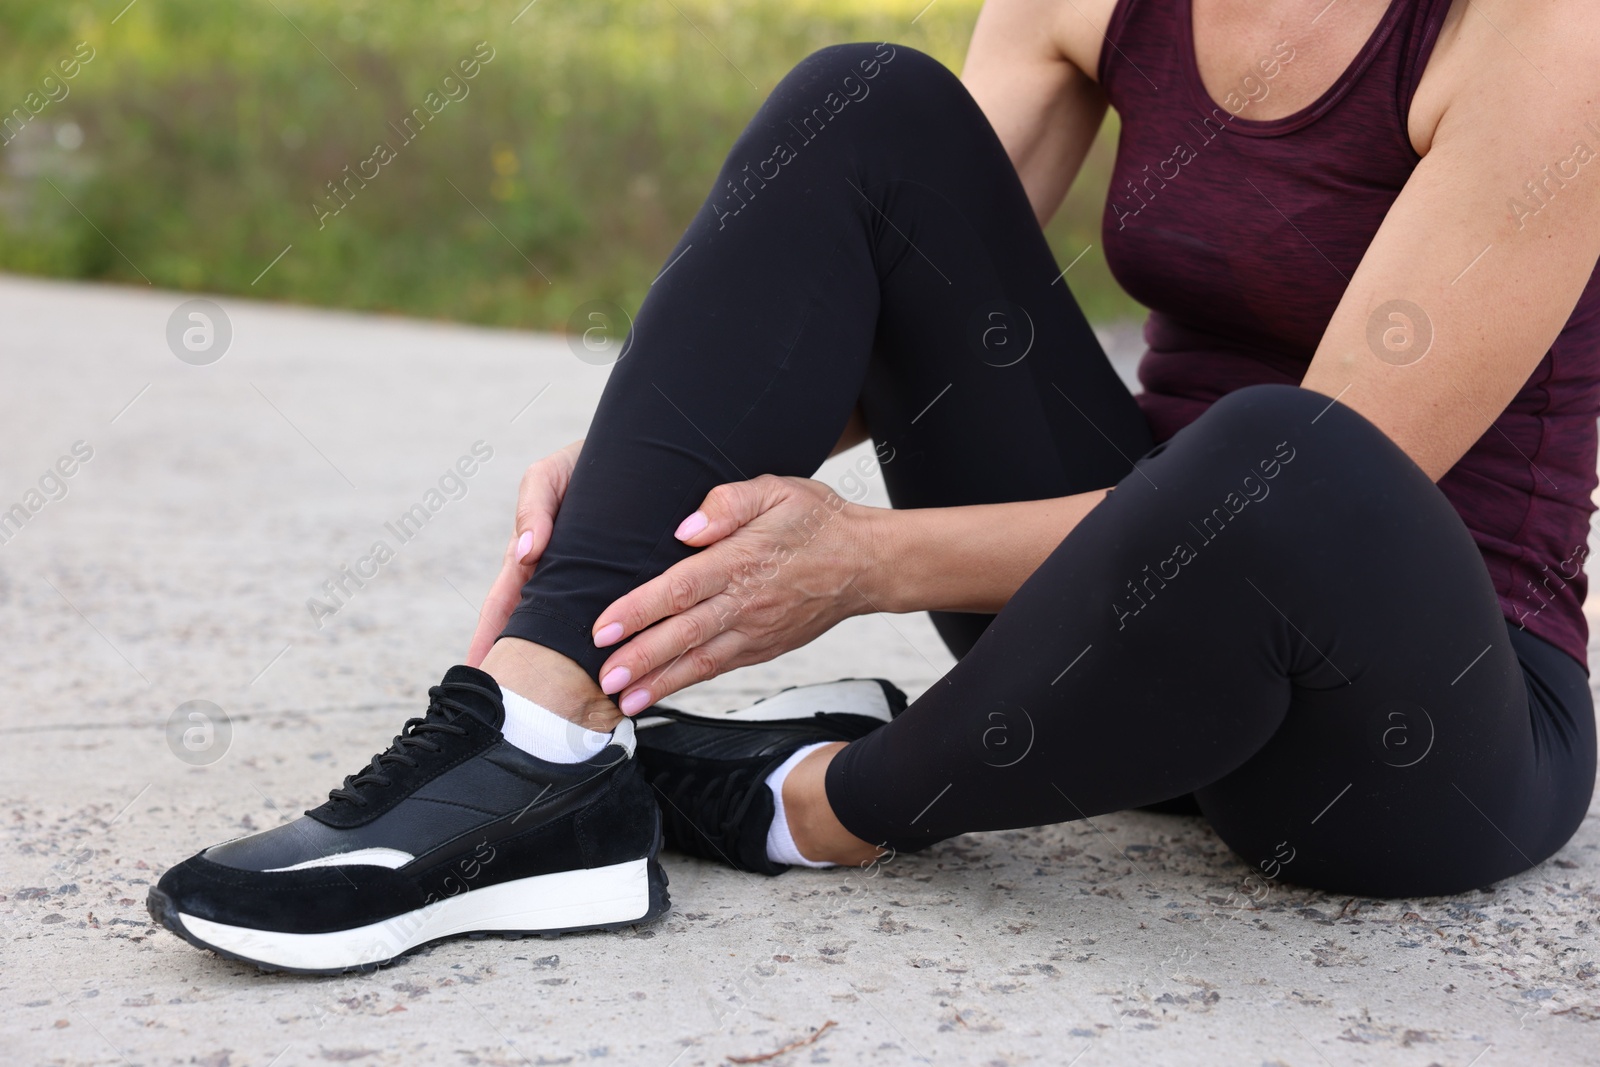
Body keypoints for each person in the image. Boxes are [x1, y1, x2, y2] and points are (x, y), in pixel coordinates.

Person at [150, 0, 1600, 975]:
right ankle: (534, 747)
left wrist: (870, 560)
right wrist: (667, 452)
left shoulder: (1545, 34)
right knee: (865, 102)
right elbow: (886, 272)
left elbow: (1328, 469)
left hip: (1416, 730)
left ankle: (818, 804)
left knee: (1281, 453)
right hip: (1107, 632)